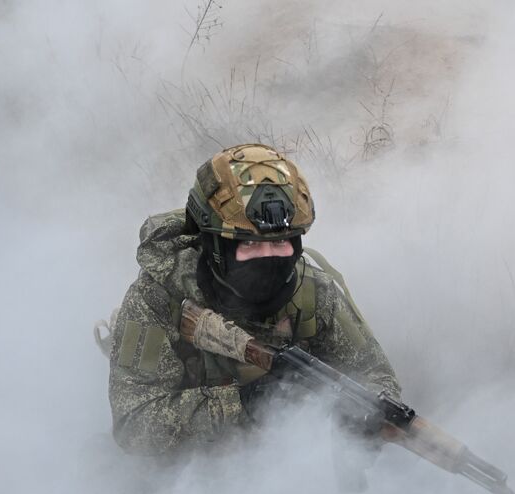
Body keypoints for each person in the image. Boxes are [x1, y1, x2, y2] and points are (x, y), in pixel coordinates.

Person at [107, 143, 401, 456]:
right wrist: (246, 403)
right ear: (215, 245)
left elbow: (375, 374)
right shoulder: (157, 298)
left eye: (282, 243)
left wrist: (364, 415)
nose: (269, 257)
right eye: (249, 244)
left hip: (286, 466)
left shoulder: (315, 292)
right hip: (185, 474)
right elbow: (135, 426)